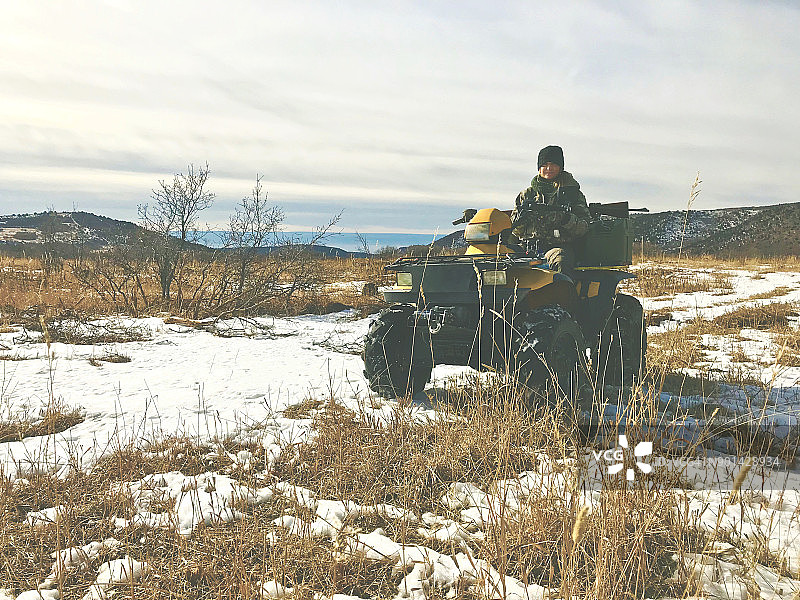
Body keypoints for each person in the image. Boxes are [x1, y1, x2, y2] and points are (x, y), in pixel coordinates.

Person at [511, 145, 591, 275]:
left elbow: (584, 227)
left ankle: (564, 294)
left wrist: (565, 219)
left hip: (557, 247)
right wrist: (522, 218)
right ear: (539, 168)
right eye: (545, 165)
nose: (548, 168)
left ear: (560, 167)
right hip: (526, 247)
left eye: (553, 164)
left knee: (560, 261)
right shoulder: (527, 195)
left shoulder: (572, 194)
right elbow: (515, 231)